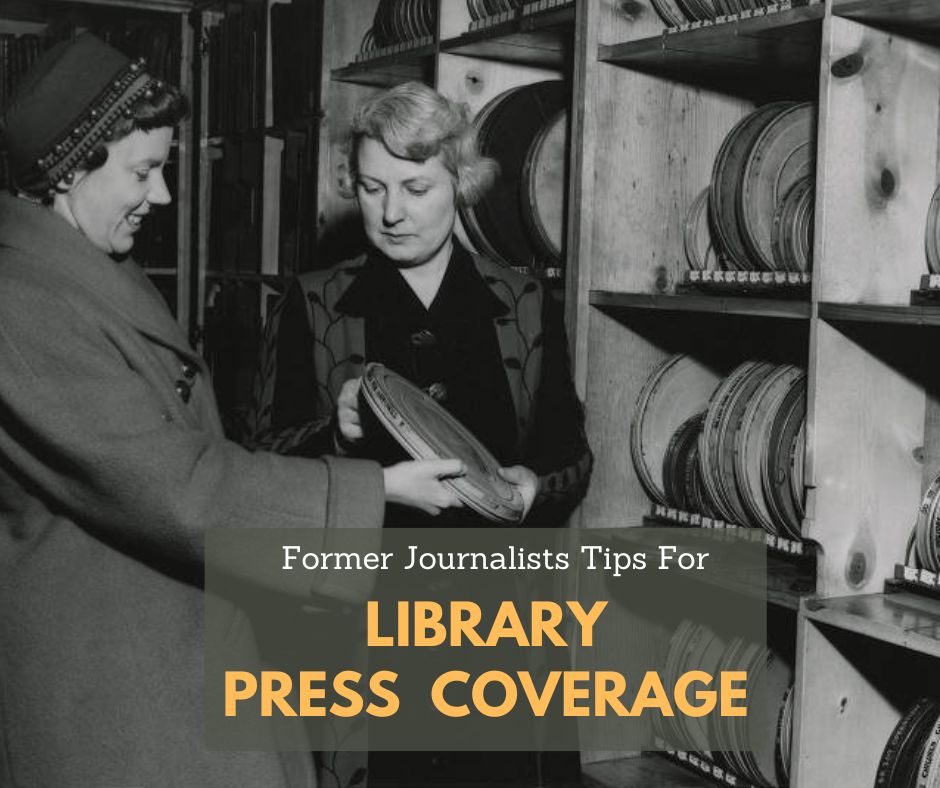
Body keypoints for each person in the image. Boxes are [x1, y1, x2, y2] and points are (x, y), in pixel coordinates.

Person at [0, 34, 465, 788]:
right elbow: (174, 484)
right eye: (144, 172)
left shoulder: (72, 268)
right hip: (111, 678)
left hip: (149, 645)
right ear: (63, 171)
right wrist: (377, 491)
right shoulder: (22, 304)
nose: (161, 199)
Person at [248, 82, 592, 786]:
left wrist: (531, 489)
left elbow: (571, 455)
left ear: (461, 182)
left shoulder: (523, 303)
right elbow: (254, 463)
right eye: (373, 188)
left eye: (415, 186)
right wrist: (336, 437)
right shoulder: (312, 304)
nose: (392, 212)